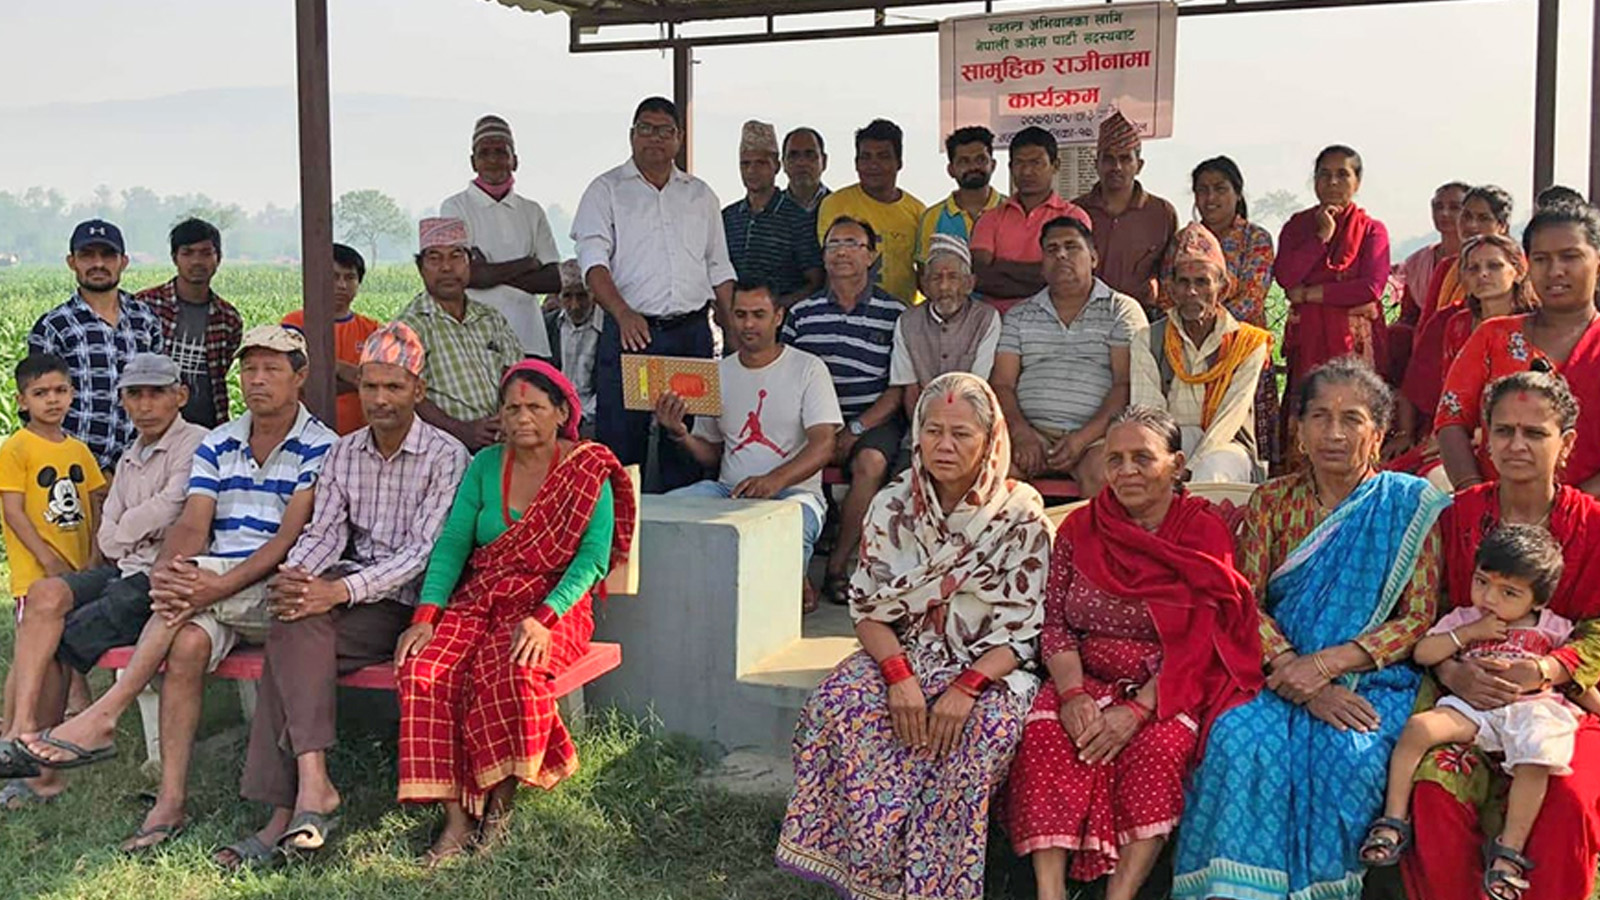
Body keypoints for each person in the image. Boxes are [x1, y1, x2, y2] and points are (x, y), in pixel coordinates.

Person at [13, 325, 336, 851]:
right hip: (212, 578)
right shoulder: (222, 440)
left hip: (275, 585)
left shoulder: (322, 446)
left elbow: (287, 539)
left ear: (300, 377)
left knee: (178, 601)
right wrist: (169, 569)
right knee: (185, 645)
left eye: (272, 369)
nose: (257, 381)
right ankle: (170, 802)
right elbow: (193, 521)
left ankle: (104, 714)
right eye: (249, 369)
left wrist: (212, 586)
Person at [1172, 359, 1449, 900]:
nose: (1335, 433)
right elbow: (1242, 599)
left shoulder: (1410, 504)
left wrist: (1324, 669)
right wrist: (1291, 669)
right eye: (1319, 417)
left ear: (1379, 431)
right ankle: (1234, 890)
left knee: (1347, 754)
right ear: (1297, 429)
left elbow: (1417, 617)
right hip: (1272, 670)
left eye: (1352, 419)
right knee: (1236, 741)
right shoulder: (1274, 501)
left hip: (1370, 676)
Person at [775, 373, 1052, 900]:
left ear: (990, 440)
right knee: (840, 703)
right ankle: (866, 871)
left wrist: (965, 688)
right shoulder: (892, 505)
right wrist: (898, 675)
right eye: (933, 430)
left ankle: (936, 884)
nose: (944, 445)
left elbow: (1025, 632)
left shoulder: (1021, 517)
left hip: (991, 668)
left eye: (962, 434)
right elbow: (867, 608)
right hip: (906, 652)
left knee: (978, 737)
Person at [215, 323, 469, 869]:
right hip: (347, 595)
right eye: (372, 386)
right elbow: (325, 531)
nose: (379, 399)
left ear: (418, 391)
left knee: (291, 638)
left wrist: (336, 590)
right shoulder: (345, 452)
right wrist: (299, 575)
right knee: (291, 618)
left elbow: (424, 553)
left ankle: (282, 816)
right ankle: (312, 788)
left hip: (407, 604)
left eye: (394, 388)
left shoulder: (446, 455)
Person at [1005, 406, 1264, 900]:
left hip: (1168, 683)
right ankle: (1049, 891)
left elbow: (1206, 636)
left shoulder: (1201, 532)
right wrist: (1073, 693)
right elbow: (1055, 623)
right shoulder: (1082, 528)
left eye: (1142, 458)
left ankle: (1120, 894)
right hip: (1084, 675)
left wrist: (1140, 707)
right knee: (1047, 736)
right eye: (1115, 460)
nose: (1126, 472)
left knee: (1159, 750)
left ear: (1178, 464)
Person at [395, 361, 635, 864]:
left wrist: (544, 618)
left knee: (511, 669)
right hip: (483, 595)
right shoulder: (484, 465)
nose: (522, 417)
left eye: (534, 407)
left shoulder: (588, 468)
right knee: (425, 669)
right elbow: (455, 542)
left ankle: (499, 810)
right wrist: (425, 616)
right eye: (512, 408)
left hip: (554, 604)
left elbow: (592, 560)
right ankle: (457, 820)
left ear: (562, 412)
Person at [1403, 370, 1600, 900]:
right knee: (1435, 790)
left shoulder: (1593, 525)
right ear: (1483, 439)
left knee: (1570, 798)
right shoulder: (1456, 518)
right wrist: (1451, 670)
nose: (1517, 445)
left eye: (1535, 433)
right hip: (1462, 694)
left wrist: (1545, 669)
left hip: (1563, 702)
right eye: (1504, 430)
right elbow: (1428, 610)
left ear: (1568, 445)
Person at [0, 355, 203, 794]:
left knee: (63, 635)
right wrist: (123, 534)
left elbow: (170, 506)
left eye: (156, 393)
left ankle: (40, 770)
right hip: (124, 565)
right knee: (46, 594)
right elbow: (108, 525)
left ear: (179, 396)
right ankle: (19, 729)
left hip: (161, 574)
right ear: (123, 401)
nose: (145, 405)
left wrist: (122, 532)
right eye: (135, 395)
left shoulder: (196, 445)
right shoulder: (132, 453)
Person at [1364, 524, 1596, 900]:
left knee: (1538, 756)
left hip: (1531, 710)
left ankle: (1510, 852)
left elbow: (1574, 677)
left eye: (1509, 592)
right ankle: (1393, 820)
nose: (1489, 598)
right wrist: (1467, 635)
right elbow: (1424, 653)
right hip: (1476, 709)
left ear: (1537, 601)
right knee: (1420, 728)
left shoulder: (1553, 627)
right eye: (1481, 582)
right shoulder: (1463, 618)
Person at [572, 96, 736, 491]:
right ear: (631, 135)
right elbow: (593, 262)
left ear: (679, 138)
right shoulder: (606, 190)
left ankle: (680, 540)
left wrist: (731, 329)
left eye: (665, 131)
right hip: (632, 332)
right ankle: (619, 544)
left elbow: (719, 267)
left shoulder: (700, 195)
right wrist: (622, 313)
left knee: (685, 440)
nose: (654, 139)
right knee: (620, 444)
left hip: (690, 334)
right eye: (645, 129)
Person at [658, 283, 841, 612]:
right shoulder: (719, 372)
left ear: (778, 317)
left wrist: (774, 481)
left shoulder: (809, 369)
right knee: (665, 511)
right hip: (728, 490)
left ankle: (792, 589)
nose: (748, 324)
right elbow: (712, 452)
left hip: (796, 495)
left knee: (787, 536)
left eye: (759, 315)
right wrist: (679, 434)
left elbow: (824, 444)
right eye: (740, 315)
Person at [1435, 201, 1600, 494]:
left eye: (1570, 257)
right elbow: (1451, 421)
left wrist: (1566, 510)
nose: (1555, 270)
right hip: (1495, 519)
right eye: (1541, 259)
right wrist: (1476, 496)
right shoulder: (1493, 336)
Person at [783, 217, 905, 603]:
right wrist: (822, 430)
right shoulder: (802, 313)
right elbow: (784, 375)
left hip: (870, 419)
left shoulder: (894, 312)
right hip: (810, 420)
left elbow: (897, 389)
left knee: (870, 463)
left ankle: (837, 568)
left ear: (871, 255)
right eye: (833, 244)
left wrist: (853, 428)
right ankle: (793, 572)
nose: (841, 251)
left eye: (852, 243)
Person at [992, 216, 1148, 498]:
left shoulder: (1121, 310)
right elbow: (1002, 384)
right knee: (993, 471)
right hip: (1031, 434)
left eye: (1071, 247)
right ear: (1042, 265)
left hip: (1097, 437)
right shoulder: (1019, 314)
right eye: (1051, 249)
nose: (1061, 254)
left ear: (1094, 258)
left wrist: (1082, 439)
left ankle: (1095, 544)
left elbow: (1124, 384)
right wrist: (1021, 432)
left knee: (1103, 473)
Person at [1274, 145, 1392, 465]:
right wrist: (1321, 238)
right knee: (1309, 410)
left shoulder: (1371, 230)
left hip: (1353, 344)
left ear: (1358, 181)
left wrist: (1311, 294)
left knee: (1355, 414)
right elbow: (1286, 276)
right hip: (1309, 341)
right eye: (1324, 174)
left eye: (1343, 174)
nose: (1333, 182)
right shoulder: (1299, 226)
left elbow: (1370, 287)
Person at [1389, 234, 1538, 482]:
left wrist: (1488, 433)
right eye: (1473, 268)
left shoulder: (1537, 325)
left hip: (1520, 440)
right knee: (1394, 480)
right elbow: (1451, 396)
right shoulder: (1457, 325)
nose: (1483, 274)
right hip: (1460, 438)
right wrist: (1452, 436)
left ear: (1518, 271)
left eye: (1494, 266)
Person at [1133, 223, 1271, 483]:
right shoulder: (1148, 339)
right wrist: (1167, 462)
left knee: (1212, 471)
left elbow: (1228, 420)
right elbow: (1150, 417)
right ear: (1171, 289)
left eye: (1202, 282)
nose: (1192, 292)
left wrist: (1189, 469)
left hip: (1228, 446)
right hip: (1170, 443)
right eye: (1183, 282)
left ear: (1222, 287)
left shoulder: (1247, 343)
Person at [29, 219, 165, 471]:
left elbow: (160, 392)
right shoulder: (54, 326)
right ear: (72, 262)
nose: (98, 264)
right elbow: (35, 406)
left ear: (123, 261)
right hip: (70, 468)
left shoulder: (145, 320)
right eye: (87, 255)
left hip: (138, 466)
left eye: (107, 255)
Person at [1394, 185, 1516, 454]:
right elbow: (1424, 358)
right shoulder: (1451, 320)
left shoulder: (1530, 320)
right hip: (1449, 420)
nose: (1472, 225)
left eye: (1483, 218)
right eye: (1467, 216)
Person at [440, 115, 563, 359]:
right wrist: (527, 264)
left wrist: (488, 272)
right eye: (484, 153)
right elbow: (463, 275)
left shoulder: (532, 211)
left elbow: (553, 280)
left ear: (514, 160)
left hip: (529, 340)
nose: (493, 160)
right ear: (473, 162)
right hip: (476, 341)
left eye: (501, 152)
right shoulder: (454, 207)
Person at [396, 217, 522, 453]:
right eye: (434, 258)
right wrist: (461, 430)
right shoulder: (408, 326)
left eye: (456, 256)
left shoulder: (490, 318)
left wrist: (506, 416)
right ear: (420, 268)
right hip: (441, 450)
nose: (446, 267)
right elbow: (406, 392)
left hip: (503, 442)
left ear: (469, 264)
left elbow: (515, 372)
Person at [970, 126, 1093, 314]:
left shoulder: (1074, 217)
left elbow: (1071, 279)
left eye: (1036, 162)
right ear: (1010, 167)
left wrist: (1002, 266)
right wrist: (1043, 273)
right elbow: (980, 277)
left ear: (1055, 165)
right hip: (999, 326)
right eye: (1019, 163)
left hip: (1055, 323)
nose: (1027, 171)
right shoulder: (989, 219)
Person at [135, 217, 242, 430]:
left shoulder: (228, 318)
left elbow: (220, 372)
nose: (196, 261)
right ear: (175, 258)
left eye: (205, 253)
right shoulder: (145, 305)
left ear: (218, 258)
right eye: (187, 253)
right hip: (151, 426)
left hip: (207, 430)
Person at [1073, 110, 1178, 316]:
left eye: (1125, 159)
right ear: (1096, 165)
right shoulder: (1076, 212)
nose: (1117, 167)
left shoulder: (1162, 213)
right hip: (1084, 318)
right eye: (1109, 159)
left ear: (1139, 166)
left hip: (1142, 319)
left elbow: (1170, 276)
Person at [889, 234, 1001, 422]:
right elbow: (910, 390)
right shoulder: (907, 321)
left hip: (970, 423)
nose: (944, 286)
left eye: (953, 277)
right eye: (936, 278)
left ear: (969, 283)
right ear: (924, 285)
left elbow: (977, 387)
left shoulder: (986, 318)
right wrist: (923, 434)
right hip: (923, 424)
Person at [815, 119, 925, 305]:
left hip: (899, 319)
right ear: (856, 163)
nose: (873, 165)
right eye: (866, 157)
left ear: (899, 162)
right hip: (845, 314)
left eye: (882, 156)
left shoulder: (918, 212)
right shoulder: (835, 204)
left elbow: (924, 274)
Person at [282, 243, 381, 435]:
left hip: (360, 438)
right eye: (334, 276)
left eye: (350, 277)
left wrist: (321, 372)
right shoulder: (294, 323)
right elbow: (291, 382)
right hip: (304, 437)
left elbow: (379, 382)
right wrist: (345, 371)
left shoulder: (373, 330)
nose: (342, 285)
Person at [722, 120, 823, 307]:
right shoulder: (728, 217)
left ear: (776, 166)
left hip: (784, 328)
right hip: (736, 324)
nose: (752, 171)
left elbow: (815, 282)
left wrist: (774, 307)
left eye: (761, 163)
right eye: (745, 164)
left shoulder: (798, 218)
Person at [1389, 181, 1470, 371]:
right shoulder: (1418, 261)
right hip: (1425, 339)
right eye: (1438, 207)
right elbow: (1409, 314)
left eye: (1454, 207)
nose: (1444, 214)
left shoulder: (1479, 259)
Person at [915, 126, 1002, 264]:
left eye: (980, 159)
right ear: (951, 170)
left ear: (993, 165)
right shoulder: (932, 217)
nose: (973, 167)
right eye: (964, 161)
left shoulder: (1011, 209)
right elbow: (925, 275)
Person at [543, 259, 602, 435]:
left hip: (595, 420)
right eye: (567, 296)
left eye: (582, 296)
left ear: (593, 294)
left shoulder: (608, 330)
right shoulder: (549, 326)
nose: (575, 306)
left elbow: (611, 384)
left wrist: (581, 416)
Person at [781, 126, 830, 214]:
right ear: (783, 163)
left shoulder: (841, 207)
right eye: (793, 155)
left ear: (824, 161)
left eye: (809, 155)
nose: (801, 162)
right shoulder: (769, 210)